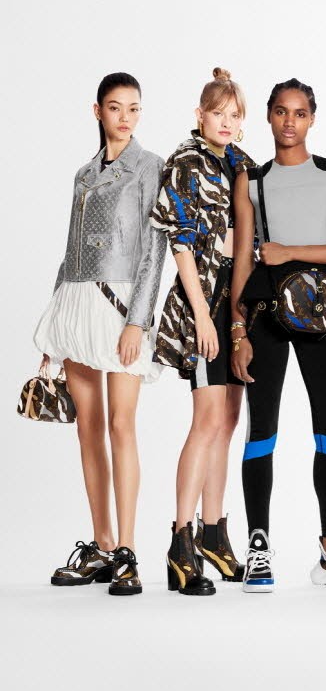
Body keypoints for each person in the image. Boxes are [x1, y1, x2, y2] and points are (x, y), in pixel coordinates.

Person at [34, 72, 167, 596]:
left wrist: (138, 320)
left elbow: (154, 250)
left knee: (121, 424)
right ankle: (103, 544)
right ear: (98, 111)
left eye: (134, 108)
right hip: (77, 302)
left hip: (120, 305)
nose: (125, 117)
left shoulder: (149, 167)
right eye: (116, 107)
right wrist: (53, 328)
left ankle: (128, 550)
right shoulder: (83, 175)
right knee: (87, 426)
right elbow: (70, 251)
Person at [230, 78, 326, 592]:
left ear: (312, 119)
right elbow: (243, 261)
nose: (290, 121)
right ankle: (258, 546)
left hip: (320, 310)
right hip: (265, 313)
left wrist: (291, 251)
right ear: (268, 116)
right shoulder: (252, 181)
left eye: (300, 113)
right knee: (262, 428)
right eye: (282, 112)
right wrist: (238, 330)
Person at [150, 68, 255, 596]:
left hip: (237, 306)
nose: (226, 122)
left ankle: (214, 532)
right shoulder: (186, 162)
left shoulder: (241, 163)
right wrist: (201, 316)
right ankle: (181, 540)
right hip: (203, 307)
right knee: (207, 419)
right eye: (218, 113)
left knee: (228, 420)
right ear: (200, 115)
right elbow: (182, 244)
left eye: (234, 115)